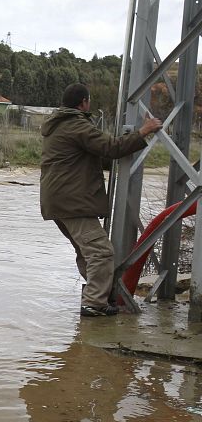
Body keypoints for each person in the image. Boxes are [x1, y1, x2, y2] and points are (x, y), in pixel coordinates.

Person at [40, 83, 162, 317]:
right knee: (101, 252)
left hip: (58, 201)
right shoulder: (76, 125)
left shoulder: (58, 126)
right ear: (84, 102)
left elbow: (95, 156)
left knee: (87, 252)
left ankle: (97, 298)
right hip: (73, 202)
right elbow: (111, 148)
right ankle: (94, 303)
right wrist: (143, 131)